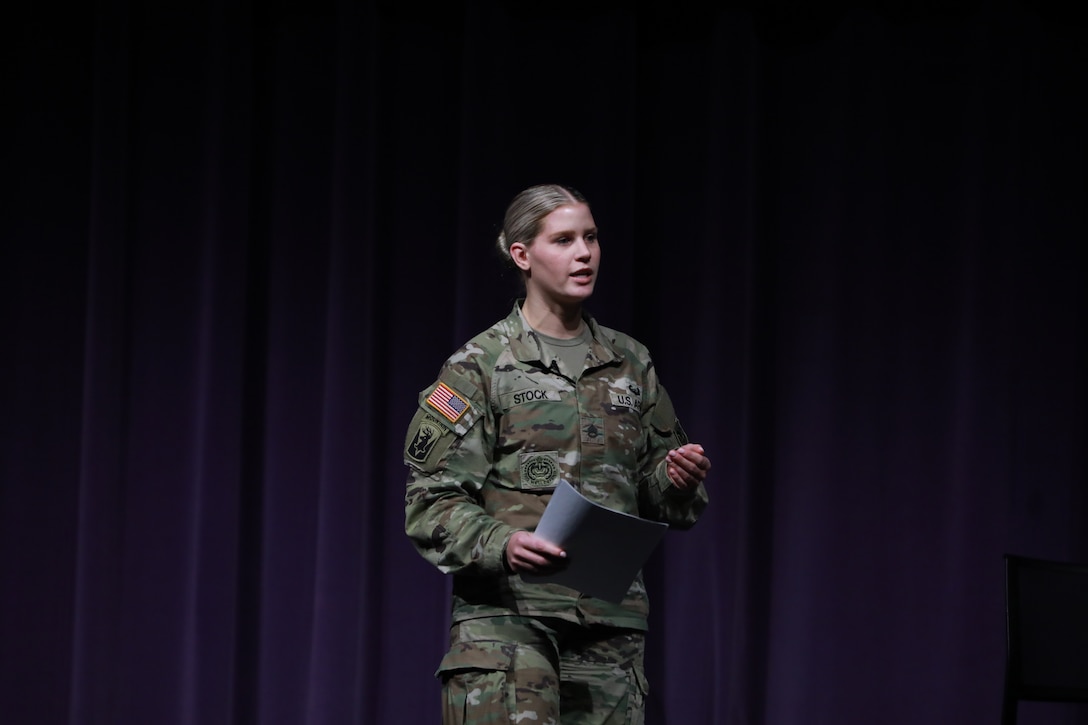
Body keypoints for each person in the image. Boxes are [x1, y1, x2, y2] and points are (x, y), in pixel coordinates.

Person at [403, 183, 711, 724]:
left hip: (609, 631)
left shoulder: (630, 363)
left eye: (590, 237)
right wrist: (504, 542)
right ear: (521, 254)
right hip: (508, 628)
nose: (584, 253)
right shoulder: (480, 364)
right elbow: (431, 502)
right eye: (564, 239)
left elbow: (660, 502)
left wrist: (677, 481)